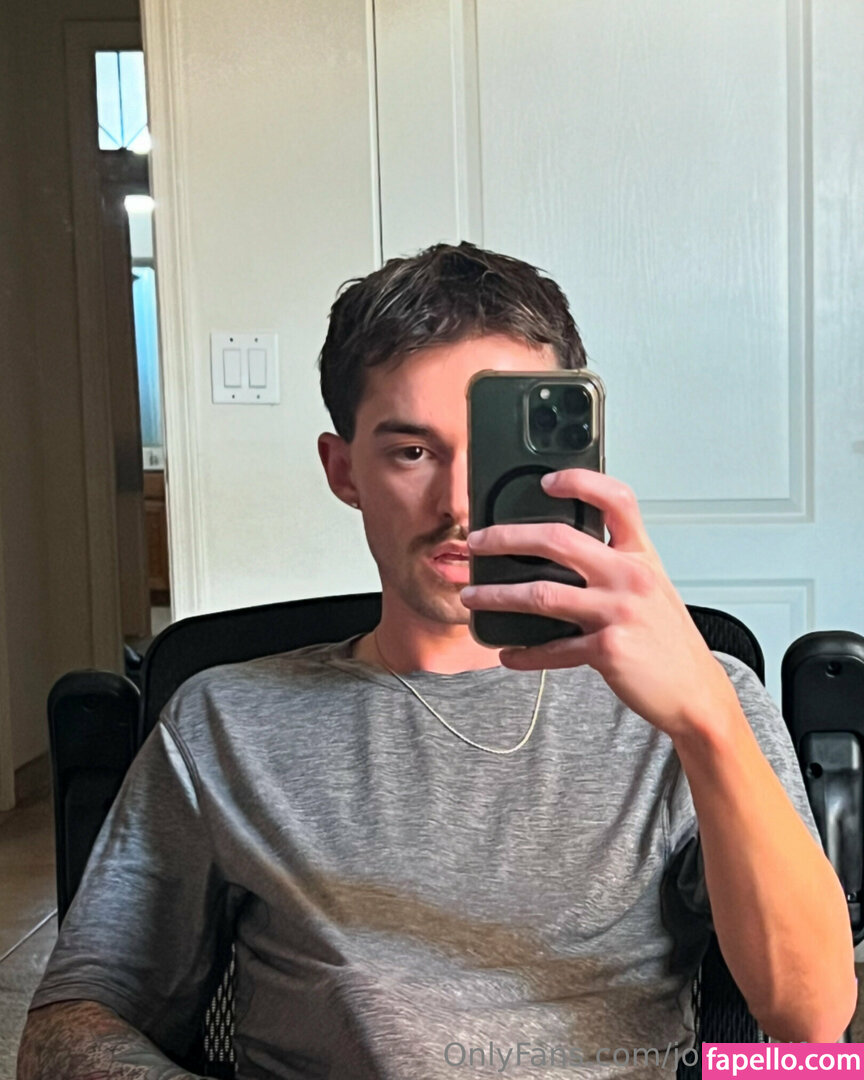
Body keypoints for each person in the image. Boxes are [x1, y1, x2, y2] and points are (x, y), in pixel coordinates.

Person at [19, 243, 856, 1080]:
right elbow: (68, 1030)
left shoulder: (701, 699)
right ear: (343, 470)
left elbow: (812, 1021)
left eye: (492, 455)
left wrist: (706, 721)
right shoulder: (224, 722)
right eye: (412, 452)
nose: (460, 505)